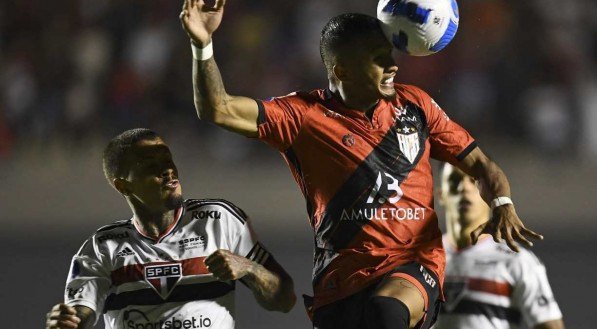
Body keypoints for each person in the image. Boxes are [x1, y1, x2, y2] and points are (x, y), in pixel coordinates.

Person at [179, 1, 543, 328]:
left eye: (390, 55)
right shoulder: (303, 116)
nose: (393, 66)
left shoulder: (415, 105)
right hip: (340, 282)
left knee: (386, 312)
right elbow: (217, 108)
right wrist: (202, 45)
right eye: (378, 58)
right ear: (343, 70)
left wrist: (502, 203)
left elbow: (480, 163)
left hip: (413, 265)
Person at [45, 128, 296, 329]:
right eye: (150, 164)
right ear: (123, 185)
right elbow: (80, 312)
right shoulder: (103, 246)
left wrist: (249, 268)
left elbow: (285, 299)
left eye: (167, 158)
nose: (167, 170)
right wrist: (69, 321)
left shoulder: (219, 219)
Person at [435, 163, 564, 329]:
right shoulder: (420, 258)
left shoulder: (517, 260)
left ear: (488, 193)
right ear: (440, 195)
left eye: (473, 181)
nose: (464, 188)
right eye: (454, 181)